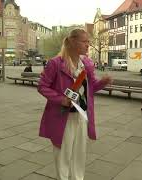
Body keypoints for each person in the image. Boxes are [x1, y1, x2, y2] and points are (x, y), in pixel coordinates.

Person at [38, 29, 112, 180]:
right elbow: (42, 86)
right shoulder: (56, 63)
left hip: (81, 115)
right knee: (63, 155)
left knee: (79, 154)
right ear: (72, 42)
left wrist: (102, 83)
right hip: (63, 117)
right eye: (84, 41)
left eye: (88, 42)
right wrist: (61, 99)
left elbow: (90, 89)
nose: (88, 45)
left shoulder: (87, 64)